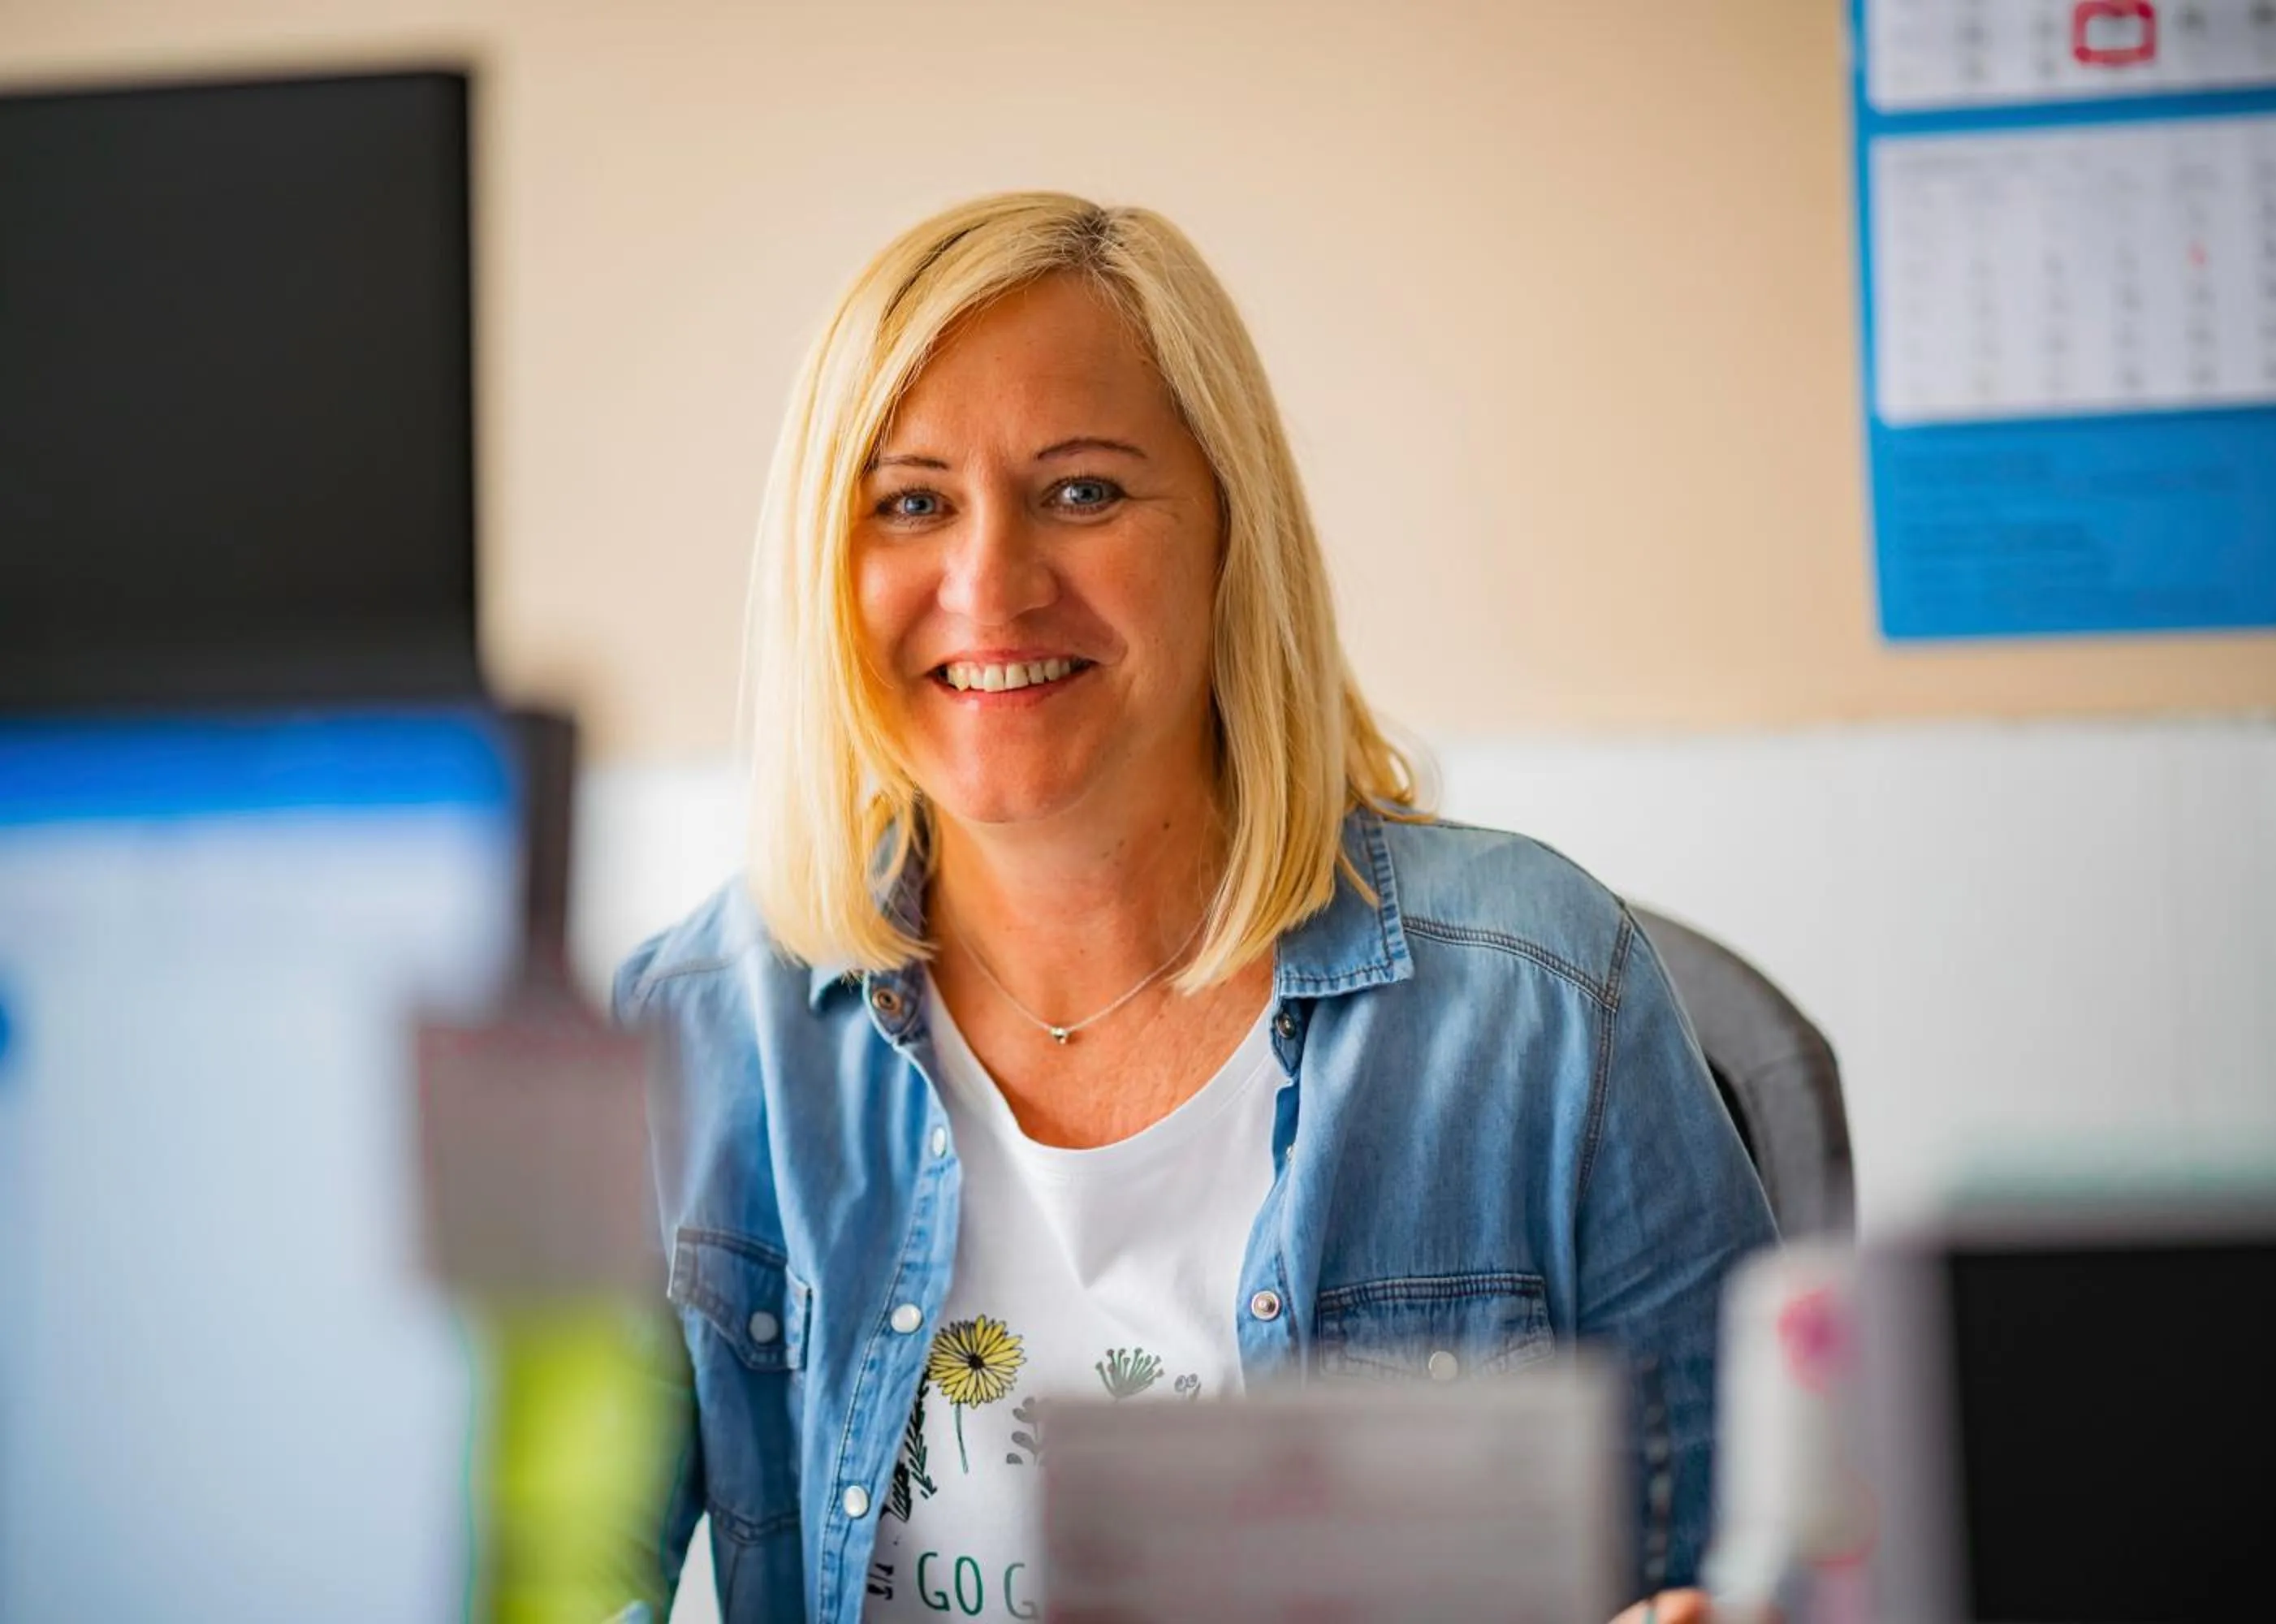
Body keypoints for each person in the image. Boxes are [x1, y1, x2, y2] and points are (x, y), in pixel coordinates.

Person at [611, 192, 1777, 1624]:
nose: (992, 584)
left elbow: (1766, 1559)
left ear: (1230, 532)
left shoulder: (1543, 1000)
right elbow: (525, 1573)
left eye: (1083, 491)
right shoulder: (688, 1033)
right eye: (911, 502)